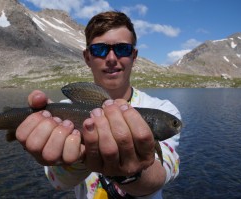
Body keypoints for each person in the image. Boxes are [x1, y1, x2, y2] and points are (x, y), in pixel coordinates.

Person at [16, 11, 181, 199]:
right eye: (100, 50)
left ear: (134, 56)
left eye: (123, 49)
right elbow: (58, 182)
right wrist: (79, 158)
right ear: (87, 57)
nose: (111, 58)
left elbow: (164, 171)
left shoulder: (164, 109)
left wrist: (130, 174)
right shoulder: (60, 113)